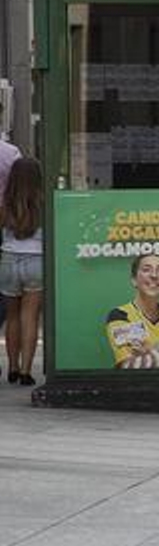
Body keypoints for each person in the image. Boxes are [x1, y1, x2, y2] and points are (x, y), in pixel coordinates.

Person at [106, 253, 159, 371]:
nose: (154, 275)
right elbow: (130, 367)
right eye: (146, 270)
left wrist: (149, 351)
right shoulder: (120, 315)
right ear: (134, 280)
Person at [0, 158, 42, 384]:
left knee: (12, 317)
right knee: (30, 318)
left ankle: (12, 368)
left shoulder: (6, 203)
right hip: (37, 261)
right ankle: (26, 371)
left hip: (8, 260)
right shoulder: (43, 203)